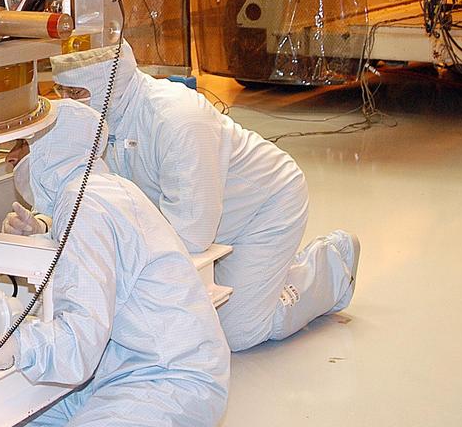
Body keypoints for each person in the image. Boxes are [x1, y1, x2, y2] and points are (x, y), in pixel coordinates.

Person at [0, 100, 231, 427]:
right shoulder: (101, 191)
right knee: (19, 426)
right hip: (130, 366)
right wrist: (45, 232)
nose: (12, 157)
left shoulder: (83, 206)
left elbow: (78, 344)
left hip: (169, 384)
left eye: (22, 146)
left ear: (50, 148)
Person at [50, 41, 359, 352]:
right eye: (59, 91)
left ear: (109, 85)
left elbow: (191, 236)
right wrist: (42, 220)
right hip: (205, 219)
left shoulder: (177, 119)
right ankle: (267, 271)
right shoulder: (99, 120)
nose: (66, 103)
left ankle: (332, 266)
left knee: (238, 331)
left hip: (265, 207)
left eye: (75, 94)